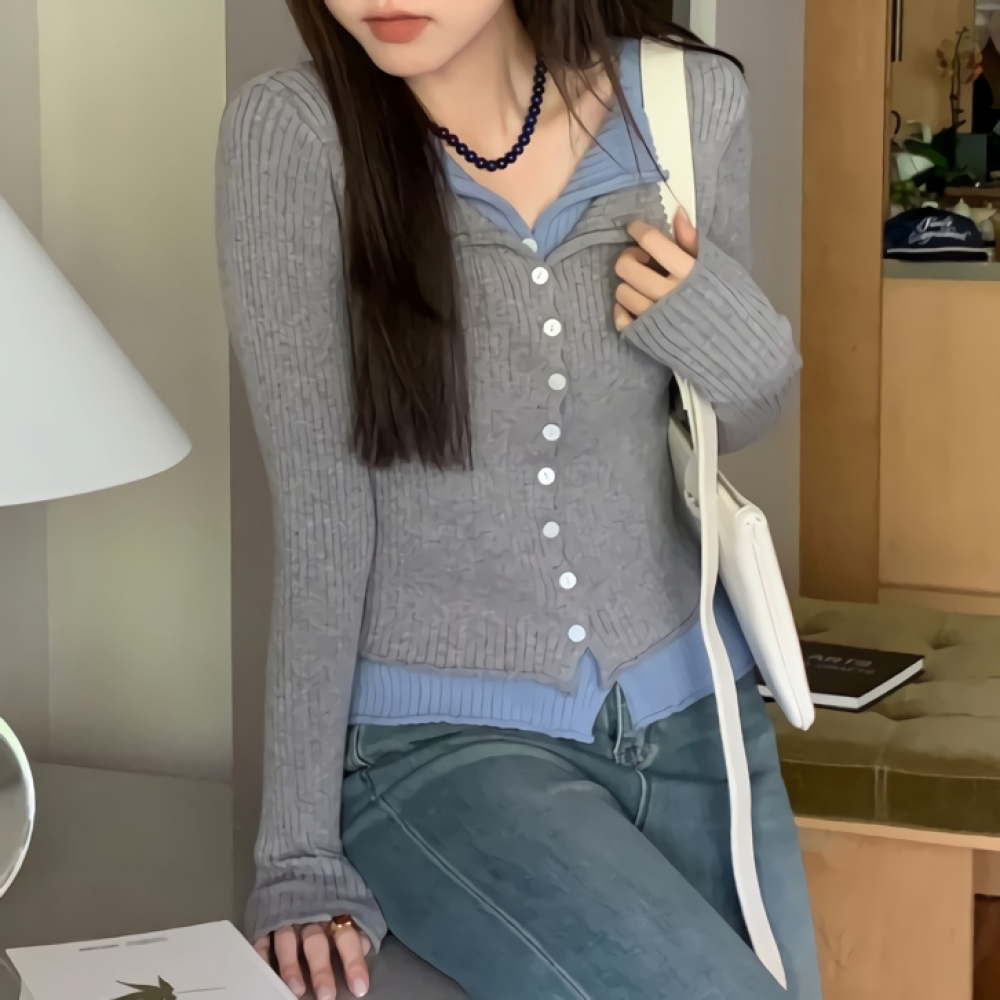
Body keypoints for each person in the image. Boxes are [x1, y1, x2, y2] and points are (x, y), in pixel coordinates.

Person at [216, 1, 822, 997]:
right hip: (438, 749)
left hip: (698, 716)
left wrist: (724, 330)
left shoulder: (685, 105)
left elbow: (733, 418)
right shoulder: (295, 133)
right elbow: (324, 521)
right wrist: (295, 855)